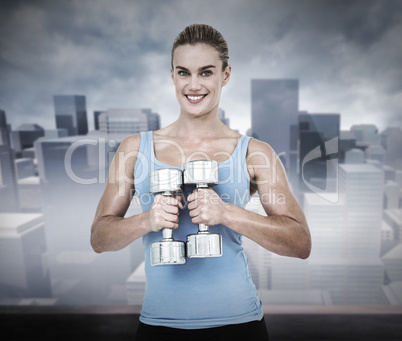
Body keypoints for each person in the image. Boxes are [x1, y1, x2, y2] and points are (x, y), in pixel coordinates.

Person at [90, 24, 311, 341]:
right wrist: (146, 220)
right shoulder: (134, 149)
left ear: (226, 75)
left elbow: (300, 242)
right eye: (184, 73)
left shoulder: (255, 153)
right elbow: (99, 237)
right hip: (159, 325)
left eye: (206, 72)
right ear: (172, 76)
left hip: (239, 325)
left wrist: (226, 214)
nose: (193, 85)